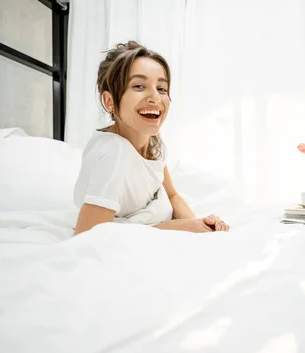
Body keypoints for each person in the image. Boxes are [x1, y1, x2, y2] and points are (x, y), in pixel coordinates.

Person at [73, 41, 229, 235]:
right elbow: (85, 235)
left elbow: (171, 195)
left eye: (162, 88)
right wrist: (173, 227)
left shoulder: (153, 142)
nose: (155, 98)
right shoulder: (113, 153)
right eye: (139, 86)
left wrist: (199, 224)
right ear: (110, 101)